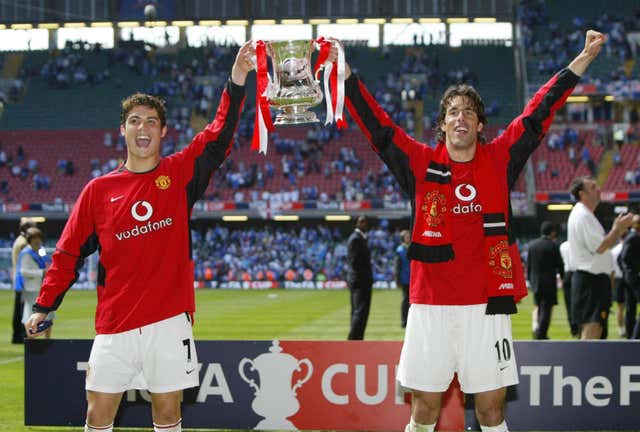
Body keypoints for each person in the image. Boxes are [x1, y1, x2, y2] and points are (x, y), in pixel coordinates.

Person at [329, 29, 606, 432]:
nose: (461, 117)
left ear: (479, 125)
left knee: (492, 411)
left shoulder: (500, 158)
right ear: (442, 125)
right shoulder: (420, 164)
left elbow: (539, 110)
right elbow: (380, 129)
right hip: (430, 305)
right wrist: (345, 74)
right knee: (423, 409)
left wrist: (581, 59)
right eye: (454, 112)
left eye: (469, 113)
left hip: (486, 306)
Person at [24, 42, 255, 432]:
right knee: (97, 414)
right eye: (134, 120)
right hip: (115, 323)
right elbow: (67, 253)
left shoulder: (180, 174)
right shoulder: (98, 191)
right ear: (123, 129)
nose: (142, 127)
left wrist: (237, 78)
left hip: (169, 320)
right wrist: (45, 304)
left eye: (151, 121)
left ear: (163, 131)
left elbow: (218, 135)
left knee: (167, 415)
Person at [567, 176, 634, 340]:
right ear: (582, 194)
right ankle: (585, 365)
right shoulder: (583, 215)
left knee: (596, 327)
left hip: (592, 279)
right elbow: (602, 246)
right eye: (593, 187)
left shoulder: (585, 215)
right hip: (590, 280)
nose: (598, 189)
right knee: (593, 326)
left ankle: (587, 364)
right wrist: (618, 229)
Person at [526, 222, 564, 340]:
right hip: (549, 282)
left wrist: (530, 280)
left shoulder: (532, 245)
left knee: (538, 306)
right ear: (552, 232)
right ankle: (541, 333)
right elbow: (560, 265)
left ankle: (537, 328)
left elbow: (529, 266)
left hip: (535, 282)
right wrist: (562, 278)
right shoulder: (553, 245)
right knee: (547, 309)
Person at [16, 227, 54, 338]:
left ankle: (48, 339)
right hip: (31, 288)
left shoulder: (41, 249)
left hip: (44, 286)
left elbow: (46, 260)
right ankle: (32, 342)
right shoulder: (26, 253)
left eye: (39, 238)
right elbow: (23, 271)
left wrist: (49, 268)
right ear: (30, 240)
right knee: (31, 315)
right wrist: (41, 272)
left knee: (49, 313)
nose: (37, 241)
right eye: (34, 238)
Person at [347, 215, 373, 340]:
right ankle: (353, 339)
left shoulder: (360, 238)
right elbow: (355, 262)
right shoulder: (356, 239)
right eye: (362, 222)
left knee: (360, 311)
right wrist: (364, 278)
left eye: (365, 222)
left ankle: (357, 339)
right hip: (360, 281)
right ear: (358, 224)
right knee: (360, 311)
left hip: (361, 280)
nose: (365, 225)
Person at [10, 218, 35, 343]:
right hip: (23, 280)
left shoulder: (20, 241)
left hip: (20, 279)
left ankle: (17, 334)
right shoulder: (24, 244)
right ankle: (19, 335)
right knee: (22, 309)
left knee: (20, 308)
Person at [619, 214, 640, 339]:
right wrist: (632, 273)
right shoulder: (633, 237)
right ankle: (635, 337)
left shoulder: (631, 237)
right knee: (630, 309)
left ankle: (631, 337)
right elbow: (624, 258)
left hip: (630, 278)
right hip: (633, 279)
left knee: (630, 309)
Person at [559, 239, 579, 336]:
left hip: (567, 274)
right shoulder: (578, 244)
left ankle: (573, 327)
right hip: (577, 273)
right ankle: (578, 326)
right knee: (578, 302)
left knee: (568, 303)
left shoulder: (563, 245)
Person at [611, 237, 627, 337]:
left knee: (620, 307)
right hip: (626, 278)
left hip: (618, 279)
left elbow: (611, 270)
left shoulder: (614, 250)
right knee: (626, 307)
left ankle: (621, 329)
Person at [396, 229, 411, 328]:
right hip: (405, 279)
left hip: (412, 278)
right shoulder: (400, 250)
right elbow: (397, 267)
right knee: (405, 300)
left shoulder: (411, 248)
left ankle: (409, 321)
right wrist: (398, 280)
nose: (409, 238)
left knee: (411, 301)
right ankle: (404, 321)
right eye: (407, 237)